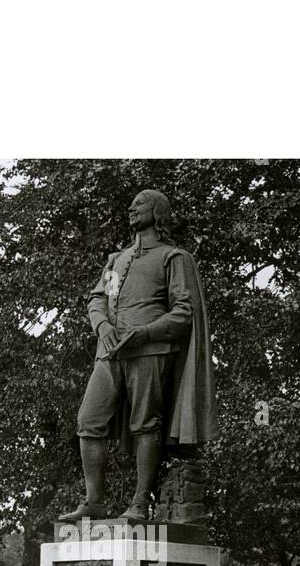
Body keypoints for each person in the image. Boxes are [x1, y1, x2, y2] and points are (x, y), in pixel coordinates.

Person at [59, 189, 218, 524]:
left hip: (149, 350)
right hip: (109, 351)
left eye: (141, 204)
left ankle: (138, 503)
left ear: (157, 212)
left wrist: (144, 333)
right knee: (89, 421)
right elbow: (98, 299)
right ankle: (94, 501)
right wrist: (102, 325)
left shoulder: (172, 258)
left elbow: (183, 312)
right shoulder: (117, 260)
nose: (132, 208)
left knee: (145, 424)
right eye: (131, 204)